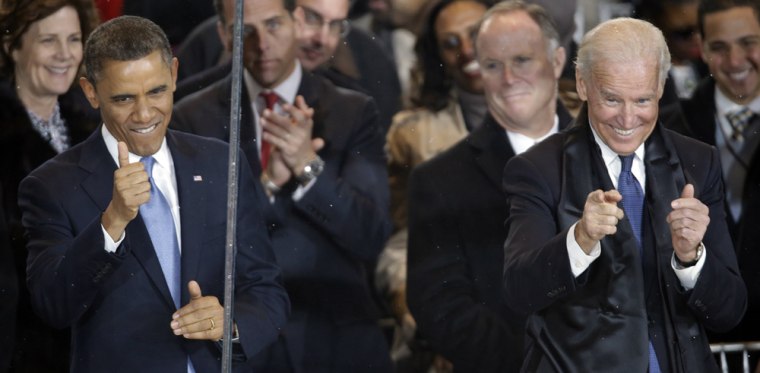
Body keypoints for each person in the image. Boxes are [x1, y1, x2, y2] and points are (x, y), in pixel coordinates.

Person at [18, 15, 290, 372]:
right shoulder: (51, 185)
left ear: (175, 74)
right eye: (124, 98)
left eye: (157, 91)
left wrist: (230, 324)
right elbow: (53, 306)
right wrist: (112, 222)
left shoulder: (219, 163)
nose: (145, 113)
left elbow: (266, 290)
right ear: (90, 92)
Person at [502, 17, 746, 372]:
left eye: (643, 99)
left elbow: (730, 312)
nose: (628, 118)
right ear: (584, 86)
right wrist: (580, 239)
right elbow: (518, 291)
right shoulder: (538, 169)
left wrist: (692, 258)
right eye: (612, 99)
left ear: (662, 88)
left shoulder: (698, 161)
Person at [172, 0, 392, 370]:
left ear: (298, 21)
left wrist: (308, 167)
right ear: (225, 35)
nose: (262, 44)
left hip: (337, 339)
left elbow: (370, 235)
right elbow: (200, 243)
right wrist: (268, 183)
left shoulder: (352, 110)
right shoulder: (191, 117)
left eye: (273, 25)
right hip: (246, 343)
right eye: (245, 31)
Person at [406, 2, 573, 371]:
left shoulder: (614, 158)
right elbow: (442, 307)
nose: (509, 78)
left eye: (522, 60)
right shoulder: (438, 181)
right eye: (494, 65)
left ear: (557, 61)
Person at [375, 0, 488, 368]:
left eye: (475, 34)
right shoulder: (412, 133)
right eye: (450, 43)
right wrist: (425, 319)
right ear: (436, 54)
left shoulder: (562, 112)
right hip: (447, 321)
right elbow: (400, 243)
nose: (467, 51)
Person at [0, 0, 100, 370]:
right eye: (48, 41)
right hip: (20, 342)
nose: (64, 54)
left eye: (74, 39)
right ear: (12, 46)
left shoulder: (94, 125)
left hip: (88, 335)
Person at [679, 0, 760, 366]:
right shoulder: (668, 129)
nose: (735, 61)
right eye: (719, 47)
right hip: (698, 341)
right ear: (702, 48)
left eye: (748, 43)